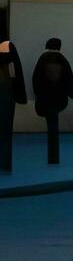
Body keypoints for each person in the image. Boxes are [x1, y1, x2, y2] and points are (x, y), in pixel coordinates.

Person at [31, 38, 73, 165]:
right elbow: (69, 78)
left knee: (51, 125)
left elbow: (36, 79)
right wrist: (71, 93)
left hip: (45, 98)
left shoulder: (42, 59)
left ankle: (52, 157)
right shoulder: (63, 60)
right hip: (58, 98)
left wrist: (38, 94)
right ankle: (54, 157)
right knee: (54, 125)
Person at [0, 40, 26, 173]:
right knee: (5, 130)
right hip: (6, 93)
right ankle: (5, 163)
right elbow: (15, 70)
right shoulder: (7, 45)